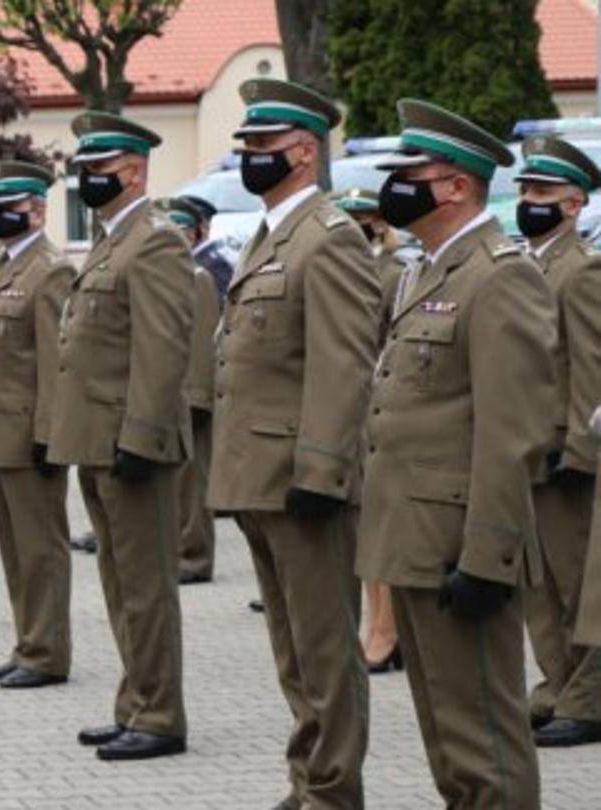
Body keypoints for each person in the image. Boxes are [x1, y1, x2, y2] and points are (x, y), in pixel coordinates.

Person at [358, 98, 554, 808]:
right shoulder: (430, 270)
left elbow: (511, 433)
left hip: (457, 547)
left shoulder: (499, 276)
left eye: (410, 176)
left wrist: (487, 557)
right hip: (413, 538)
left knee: (483, 742)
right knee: (448, 736)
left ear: (457, 186)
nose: (394, 188)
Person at [211, 79, 381, 810]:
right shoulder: (273, 233)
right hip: (261, 476)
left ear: (305, 152)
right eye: (246, 145)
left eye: (263, 145)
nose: (250, 156)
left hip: (301, 481)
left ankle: (334, 792)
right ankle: (308, 781)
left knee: (325, 649)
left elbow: (343, 365)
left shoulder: (329, 237)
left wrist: (322, 470)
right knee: (293, 649)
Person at [48, 110, 193, 762]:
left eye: (98, 168)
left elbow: (161, 351)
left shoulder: (155, 241)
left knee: (145, 587)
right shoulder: (113, 240)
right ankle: (134, 702)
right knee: (119, 583)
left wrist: (141, 435)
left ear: (134, 171)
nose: (86, 179)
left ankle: (160, 715)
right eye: (83, 169)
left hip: (132, 445)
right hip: (97, 441)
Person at [0, 160, 76, 690]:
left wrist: (50, 433)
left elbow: (55, 360)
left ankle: (47, 651)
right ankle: (28, 642)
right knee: (13, 547)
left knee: (39, 548)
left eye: (11, 207)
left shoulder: (49, 270)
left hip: (27, 434)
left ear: (39, 211)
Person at [512, 134, 601, 748]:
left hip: (565, 449)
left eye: (542, 192)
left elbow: (590, 366)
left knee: (576, 582)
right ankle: (558, 683)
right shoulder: (527, 263)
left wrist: (581, 451)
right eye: (525, 190)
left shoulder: (582, 269)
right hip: (526, 447)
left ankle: (589, 697)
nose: (529, 201)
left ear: (573, 204)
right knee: (539, 584)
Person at [330, 186, 410, 671]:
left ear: (378, 225)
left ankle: (388, 629)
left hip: (380, 405)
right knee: (364, 525)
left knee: (382, 524)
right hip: (351, 406)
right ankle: (377, 626)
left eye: (361, 220)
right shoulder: (342, 266)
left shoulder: (395, 273)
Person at [158, 196, 224, 585]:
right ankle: (176, 549)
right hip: (168, 394)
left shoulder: (197, 278)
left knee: (191, 482)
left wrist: (198, 396)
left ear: (195, 235)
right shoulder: (167, 276)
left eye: (180, 231)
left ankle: (195, 556)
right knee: (174, 483)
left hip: (189, 396)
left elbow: (202, 341)